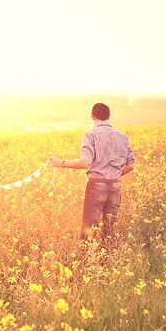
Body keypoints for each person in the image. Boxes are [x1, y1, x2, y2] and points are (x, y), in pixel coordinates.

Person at [48, 102, 135, 245]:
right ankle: (108, 257)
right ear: (108, 116)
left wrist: (61, 163)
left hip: (96, 187)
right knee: (109, 229)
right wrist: (113, 176)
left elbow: (85, 162)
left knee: (89, 229)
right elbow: (131, 165)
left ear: (92, 115)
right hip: (115, 187)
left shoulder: (90, 135)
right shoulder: (122, 136)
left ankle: (86, 257)